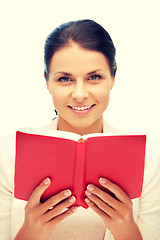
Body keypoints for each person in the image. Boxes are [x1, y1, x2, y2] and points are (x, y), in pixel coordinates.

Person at [0, 19, 160, 240]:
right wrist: (31, 232)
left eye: (94, 77)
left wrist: (126, 230)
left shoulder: (149, 159)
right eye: (65, 79)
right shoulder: (8, 154)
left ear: (113, 78)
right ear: (47, 81)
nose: (80, 94)